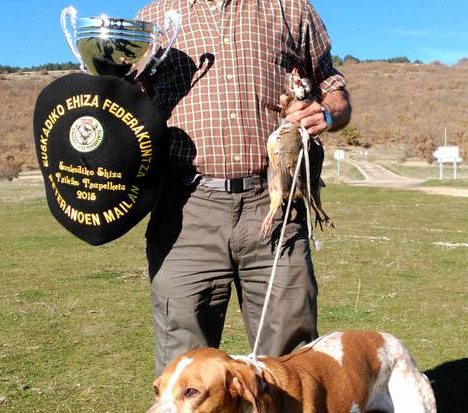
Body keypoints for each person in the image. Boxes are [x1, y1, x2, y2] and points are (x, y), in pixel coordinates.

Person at [136, 0, 351, 375]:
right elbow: (128, 100)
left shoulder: (292, 8)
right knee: (184, 373)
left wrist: (327, 113)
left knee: (291, 366)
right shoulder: (153, 18)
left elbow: (332, 86)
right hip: (186, 211)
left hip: (274, 205)